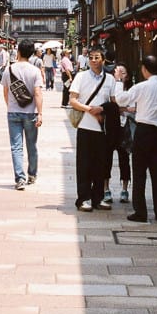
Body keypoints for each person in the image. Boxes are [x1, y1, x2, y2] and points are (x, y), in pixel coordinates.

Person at [118, 54, 157, 223]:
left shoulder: (141, 87)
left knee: (139, 172)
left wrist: (119, 81)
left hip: (142, 131)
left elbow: (121, 99)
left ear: (144, 69)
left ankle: (140, 212)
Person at [69, 45, 119, 211]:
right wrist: (91, 110)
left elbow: (113, 102)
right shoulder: (81, 76)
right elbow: (73, 100)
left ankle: (98, 198)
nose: (93, 60)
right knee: (84, 164)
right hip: (85, 125)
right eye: (91, 57)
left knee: (100, 164)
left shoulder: (110, 79)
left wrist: (103, 110)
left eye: (97, 57)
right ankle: (83, 198)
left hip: (102, 128)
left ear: (103, 60)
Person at [2, 38, 43, 190]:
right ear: (32, 54)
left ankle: (20, 178)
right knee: (31, 145)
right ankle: (32, 174)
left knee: (16, 147)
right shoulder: (35, 71)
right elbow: (37, 93)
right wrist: (40, 113)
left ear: (18, 52)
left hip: (13, 112)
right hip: (30, 113)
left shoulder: (9, 70)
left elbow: (5, 91)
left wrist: (10, 106)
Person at [108, 63, 133, 204]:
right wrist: (123, 108)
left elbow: (130, 107)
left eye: (123, 73)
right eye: (117, 72)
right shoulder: (109, 87)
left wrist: (121, 108)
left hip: (123, 127)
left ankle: (124, 189)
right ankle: (106, 188)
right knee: (107, 158)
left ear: (127, 76)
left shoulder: (131, 90)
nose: (119, 74)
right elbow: (113, 104)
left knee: (124, 158)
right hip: (110, 126)